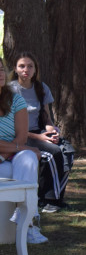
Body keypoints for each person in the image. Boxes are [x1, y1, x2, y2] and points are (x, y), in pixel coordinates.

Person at [9, 52, 75, 213]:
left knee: (68, 152)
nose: (26, 70)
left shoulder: (41, 88)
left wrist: (51, 131)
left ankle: (57, 198)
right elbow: (12, 125)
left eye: (30, 66)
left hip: (39, 132)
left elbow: (46, 117)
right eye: (22, 66)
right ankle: (46, 199)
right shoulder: (11, 90)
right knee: (52, 155)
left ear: (35, 69)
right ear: (15, 69)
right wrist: (39, 137)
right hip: (22, 135)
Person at [0, 62, 47, 244]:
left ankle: (27, 223)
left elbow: (21, 137)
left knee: (28, 158)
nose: (0, 74)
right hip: (8, 159)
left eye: (1, 69)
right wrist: (23, 148)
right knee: (28, 153)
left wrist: (6, 153)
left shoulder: (16, 100)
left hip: (10, 157)